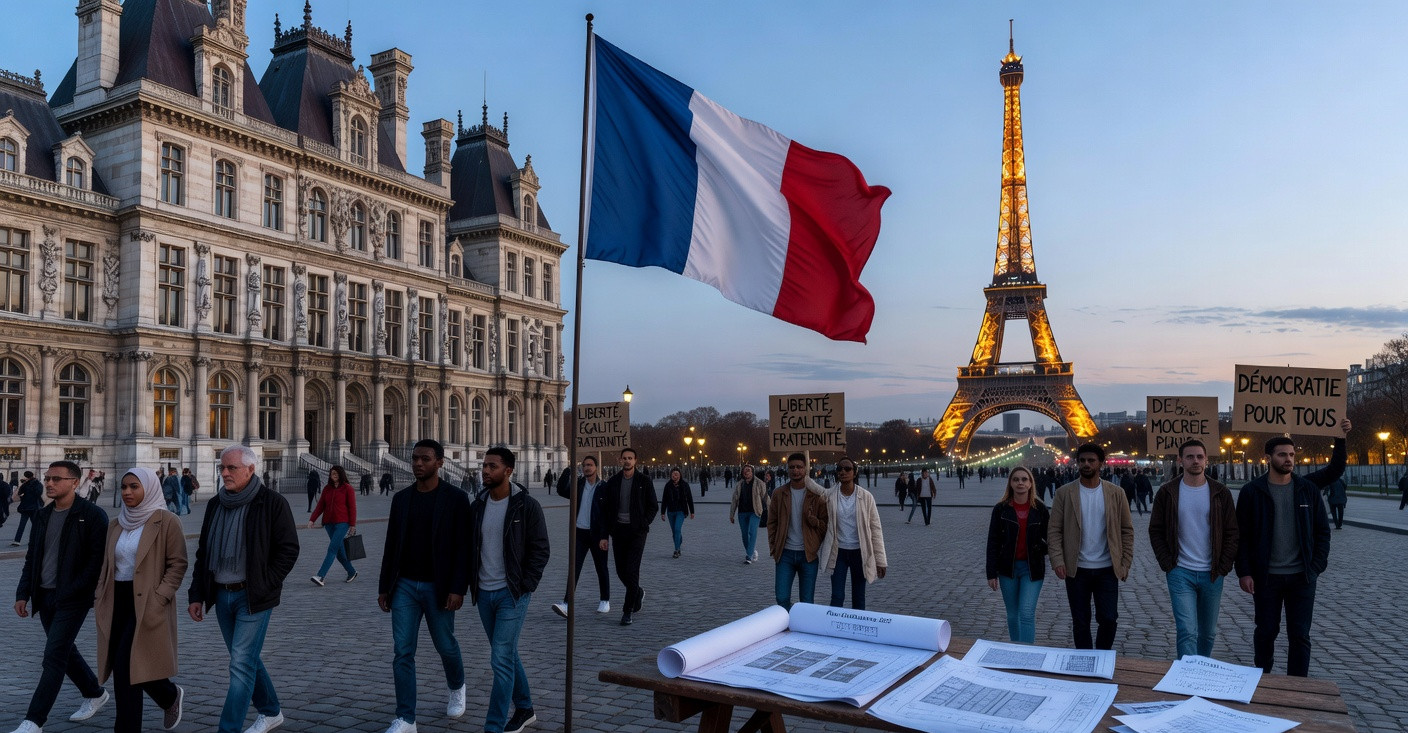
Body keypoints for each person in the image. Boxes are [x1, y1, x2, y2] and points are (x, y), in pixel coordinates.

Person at [188, 445, 300, 733]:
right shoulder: (215, 503)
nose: (224, 473)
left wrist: (266, 583)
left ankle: (229, 729)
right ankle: (271, 711)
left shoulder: (272, 503)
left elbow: (288, 550)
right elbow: (203, 552)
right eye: (222, 468)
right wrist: (196, 595)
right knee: (245, 660)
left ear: (250, 469)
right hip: (221, 593)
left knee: (240, 664)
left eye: (231, 468)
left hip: (253, 596)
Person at [1236, 426, 1348, 677]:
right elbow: (1241, 537)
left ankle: (1298, 686)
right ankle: (1262, 677)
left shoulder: (1306, 488)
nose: (1288, 459)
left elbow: (1322, 531)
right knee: (1266, 631)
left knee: (1300, 634)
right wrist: (1244, 571)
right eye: (1282, 455)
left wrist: (1340, 439)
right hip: (1267, 577)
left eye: (1291, 455)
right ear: (1268, 458)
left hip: (1302, 576)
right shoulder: (1252, 492)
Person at [378, 439, 473, 733]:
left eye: (425, 459)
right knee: (402, 651)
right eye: (415, 458)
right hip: (404, 584)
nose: (418, 463)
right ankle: (406, 717)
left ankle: (457, 686)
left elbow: (464, 548)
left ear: (440, 463)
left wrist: (458, 588)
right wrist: (384, 587)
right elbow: (391, 545)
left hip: (439, 585)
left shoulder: (456, 499)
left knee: (445, 645)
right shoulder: (401, 498)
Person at [10, 461, 111, 733]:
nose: (50, 483)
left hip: (73, 598)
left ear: (75, 482)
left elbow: (95, 563)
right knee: (65, 650)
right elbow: (33, 557)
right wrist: (23, 593)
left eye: (56, 478)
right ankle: (95, 692)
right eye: (47, 478)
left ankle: (34, 721)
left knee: (53, 656)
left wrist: (72, 590)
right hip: (44, 596)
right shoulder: (43, 515)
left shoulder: (92, 515)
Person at [95, 468, 187, 732]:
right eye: (124, 487)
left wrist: (161, 596)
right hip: (116, 600)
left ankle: (130, 724)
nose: (127, 492)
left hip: (147, 601)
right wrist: (99, 593)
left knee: (126, 666)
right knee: (125, 667)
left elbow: (178, 563)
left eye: (134, 487)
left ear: (149, 488)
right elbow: (107, 564)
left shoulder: (167, 521)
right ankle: (168, 696)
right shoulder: (116, 523)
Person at [469, 447, 550, 733]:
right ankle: (525, 708)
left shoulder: (526, 506)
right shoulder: (477, 505)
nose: (485, 471)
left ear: (508, 471)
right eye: (484, 466)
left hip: (511, 594)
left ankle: (493, 726)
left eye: (492, 466)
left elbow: (541, 549)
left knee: (500, 658)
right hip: (484, 591)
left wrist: (526, 585)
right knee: (507, 654)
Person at [1148, 440, 1238, 660]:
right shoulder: (1167, 492)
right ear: (1180, 460)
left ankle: (1201, 670)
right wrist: (1168, 563)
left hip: (1212, 572)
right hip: (1180, 571)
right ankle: (1188, 677)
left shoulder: (1221, 492)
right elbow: (1156, 530)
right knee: (1187, 630)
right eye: (1190, 457)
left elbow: (1232, 532)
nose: (1195, 461)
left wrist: (1224, 565)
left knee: (1208, 633)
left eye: (1199, 456)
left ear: (1206, 460)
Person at [1047, 443, 1134, 650]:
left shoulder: (1117, 493)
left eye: (1091, 460)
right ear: (1077, 463)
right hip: (1077, 569)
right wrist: (1058, 560)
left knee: (1109, 618)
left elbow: (1126, 530)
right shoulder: (1063, 493)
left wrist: (1125, 563)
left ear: (1101, 464)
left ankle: (1101, 658)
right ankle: (1085, 662)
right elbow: (1054, 530)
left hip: (1107, 568)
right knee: (1080, 621)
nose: (1086, 464)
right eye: (1082, 460)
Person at [985, 466, 1049, 644]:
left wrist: (1040, 549)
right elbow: (993, 541)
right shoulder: (1000, 509)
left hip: (1032, 568)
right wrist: (991, 573)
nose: (1020, 483)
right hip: (1008, 569)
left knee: (1026, 613)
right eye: (1016, 479)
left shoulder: (1041, 509)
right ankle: (1016, 650)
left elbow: (1051, 537)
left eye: (1024, 479)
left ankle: (1027, 655)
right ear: (1010, 483)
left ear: (1030, 483)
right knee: (1013, 615)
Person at [598, 447, 657, 626]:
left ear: (635, 461)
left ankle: (627, 610)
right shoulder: (613, 482)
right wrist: (605, 533)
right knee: (620, 571)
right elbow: (606, 509)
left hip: (637, 532)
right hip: (619, 531)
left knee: (632, 570)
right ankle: (637, 592)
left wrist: (644, 522)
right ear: (620, 460)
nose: (627, 461)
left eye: (630, 458)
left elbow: (653, 505)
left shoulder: (644, 480)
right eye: (624, 458)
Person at [819, 457, 886, 610]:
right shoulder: (829, 496)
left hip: (859, 552)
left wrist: (880, 560)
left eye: (847, 469)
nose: (843, 472)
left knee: (859, 596)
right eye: (840, 469)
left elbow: (875, 528)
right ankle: (834, 629)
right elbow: (815, 494)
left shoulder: (866, 497)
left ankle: (858, 630)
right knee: (837, 596)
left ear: (855, 473)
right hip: (839, 552)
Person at [767, 453, 829, 609]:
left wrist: (814, 540)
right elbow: (772, 522)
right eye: (792, 467)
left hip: (807, 555)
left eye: (799, 467)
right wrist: (774, 547)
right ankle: (789, 625)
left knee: (807, 601)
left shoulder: (816, 495)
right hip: (785, 554)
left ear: (806, 469)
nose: (796, 471)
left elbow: (825, 524)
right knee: (781, 598)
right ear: (787, 469)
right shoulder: (779, 493)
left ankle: (802, 629)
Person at [552, 455, 611, 618]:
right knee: (574, 568)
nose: (587, 468)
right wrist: (567, 469)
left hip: (597, 534)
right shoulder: (578, 485)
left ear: (596, 467)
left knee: (601, 567)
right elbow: (561, 490)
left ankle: (605, 600)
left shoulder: (604, 487)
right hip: (580, 533)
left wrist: (604, 536)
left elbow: (607, 514)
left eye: (590, 465)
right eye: (584, 465)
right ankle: (566, 603)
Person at [307, 465, 358, 586]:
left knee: (332, 549)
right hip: (329, 524)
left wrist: (352, 525)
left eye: (335, 474)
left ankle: (321, 576)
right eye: (332, 474)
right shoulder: (327, 489)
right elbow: (320, 506)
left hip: (342, 523)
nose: (333, 476)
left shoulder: (347, 488)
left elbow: (352, 508)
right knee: (339, 552)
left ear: (341, 474)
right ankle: (351, 571)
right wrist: (312, 519)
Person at [730, 465, 767, 564]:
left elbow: (765, 497)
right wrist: (732, 514)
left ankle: (749, 556)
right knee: (744, 535)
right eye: (745, 471)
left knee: (752, 531)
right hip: (742, 512)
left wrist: (772, 511)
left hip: (755, 511)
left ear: (752, 472)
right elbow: (734, 500)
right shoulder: (739, 484)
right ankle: (751, 551)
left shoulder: (759, 483)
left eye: (748, 470)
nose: (746, 472)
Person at [659, 467, 695, 558]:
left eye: (677, 474)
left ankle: (677, 550)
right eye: (673, 474)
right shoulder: (668, 485)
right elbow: (664, 499)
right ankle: (679, 540)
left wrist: (692, 511)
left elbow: (689, 498)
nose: (675, 476)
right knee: (674, 532)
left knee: (677, 529)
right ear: (671, 475)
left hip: (681, 511)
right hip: (670, 511)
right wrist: (662, 512)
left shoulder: (685, 485)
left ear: (680, 475)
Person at [11, 471, 42, 545]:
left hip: (25, 507)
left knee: (22, 525)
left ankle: (17, 541)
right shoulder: (38, 484)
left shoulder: (25, 484)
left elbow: (19, 493)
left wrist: (23, 485)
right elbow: (39, 493)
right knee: (35, 525)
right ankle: (34, 540)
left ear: (26, 477)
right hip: (34, 507)